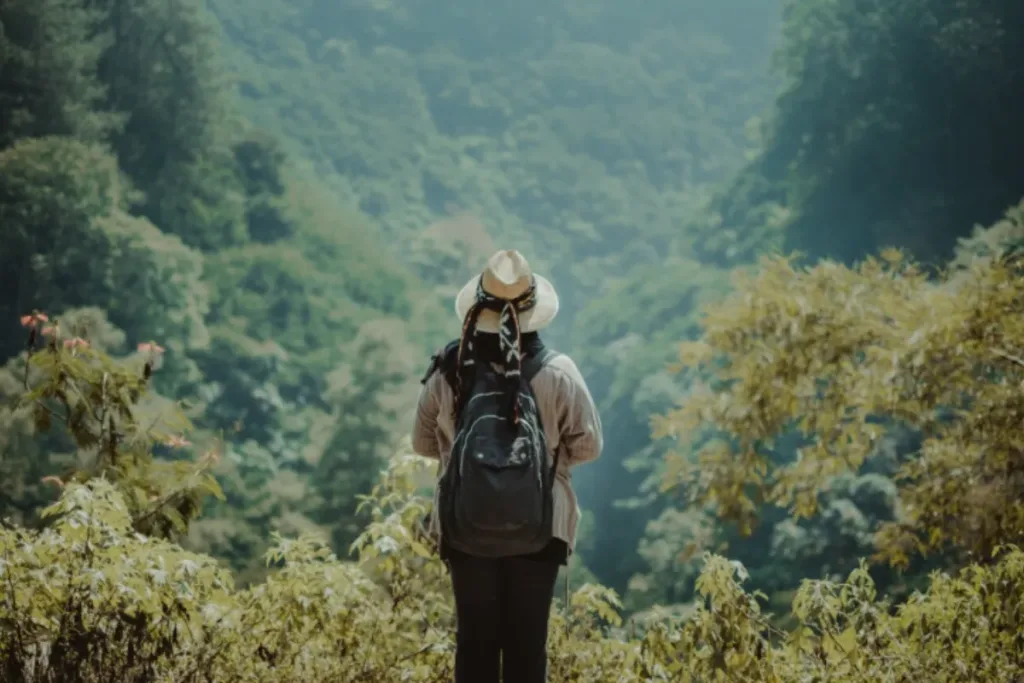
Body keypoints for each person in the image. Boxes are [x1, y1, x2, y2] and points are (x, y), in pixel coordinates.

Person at [412, 248, 603, 683]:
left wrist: (465, 463)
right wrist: (545, 466)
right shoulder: (559, 371)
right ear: (535, 311)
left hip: (465, 526)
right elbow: (589, 445)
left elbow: (422, 442)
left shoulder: (449, 371)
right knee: (526, 649)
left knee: (475, 645)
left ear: (476, 308)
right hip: (541, 527)